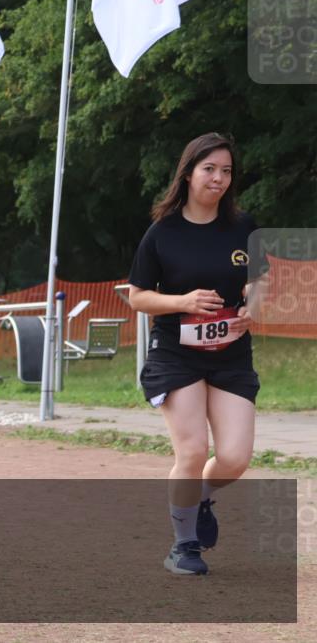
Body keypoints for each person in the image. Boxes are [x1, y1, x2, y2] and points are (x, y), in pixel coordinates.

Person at [128, 132, 260, 576]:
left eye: (226, 171)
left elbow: (261, 284)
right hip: (177, 354)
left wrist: (252, 305)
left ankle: (198, 495)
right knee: (192, 448)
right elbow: (137, 297)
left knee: (236, 457)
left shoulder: (244, 227)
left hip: (231, 355)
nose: (219, 179)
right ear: (188, 174)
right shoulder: (163, 232)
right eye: (210, 169)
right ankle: (184, 546)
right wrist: (182, 302)